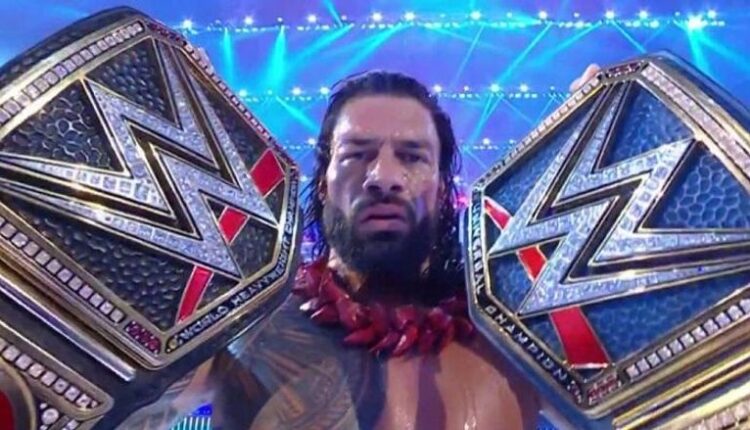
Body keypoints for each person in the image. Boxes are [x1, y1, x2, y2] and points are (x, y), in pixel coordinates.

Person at [120, 66, 599, 430]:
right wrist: (154, 98)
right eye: (357, 155)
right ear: (323, 183)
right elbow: (109, 405)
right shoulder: (245, 324)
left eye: (411, 156)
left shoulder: (515, 338)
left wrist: (613, 130)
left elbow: (632, 407)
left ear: (441, 189)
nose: (383, 177)